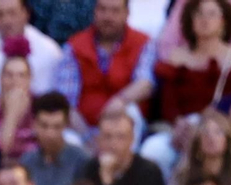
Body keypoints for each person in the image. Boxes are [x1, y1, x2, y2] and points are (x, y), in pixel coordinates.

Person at [53, 0, 156, 131]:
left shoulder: (143, 42)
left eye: (115, 11)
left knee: (131, 111)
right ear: (94, 11)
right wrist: (86, 140)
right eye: (102, 9)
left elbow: (145, 83)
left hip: (125, 124)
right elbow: (67, 102)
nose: (108, 17)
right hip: (83, 129)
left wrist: (121, 101)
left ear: (127, 13)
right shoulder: (74, 46)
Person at [0, 0, 64, 112]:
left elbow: (51, 102)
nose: (6, 21)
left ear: (26, 13)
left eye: (12, 13)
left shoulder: (49, 50)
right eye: (0, 14)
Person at [151, 0, 231, 127]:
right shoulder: (176, 57)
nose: (205, 20)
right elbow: (168, 101)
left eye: (211, 14)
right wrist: (179, 123)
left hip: (219, 129)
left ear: (223, 21)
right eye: (199, 14)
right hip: (179, 128)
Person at [21, 93, 92, 185]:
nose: (50, 134)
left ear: (66, 125)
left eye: (56, 127)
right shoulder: (27, 161)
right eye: (44, 126)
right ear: (34, 124)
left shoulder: (82, 160)